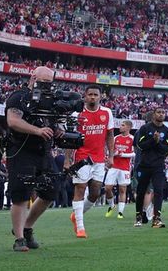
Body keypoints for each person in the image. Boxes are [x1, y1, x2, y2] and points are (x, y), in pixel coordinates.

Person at [6, 66, 61, 252]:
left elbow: (53, 124)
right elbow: (13, 121)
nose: (46, 86)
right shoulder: (19, 97)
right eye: (44, 82)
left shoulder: (51, 101)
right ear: (33, 77)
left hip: (42, 151)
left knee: (51, 191)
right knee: (21, 195)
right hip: (21, 150)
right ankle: (20, 238)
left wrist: (58, 130)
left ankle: (26, 227)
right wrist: (37, 130)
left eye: (49, 83)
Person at [69, 84, 115, 238]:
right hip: (81, 156)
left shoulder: (107, 113)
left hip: (99, 158)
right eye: (90, 94)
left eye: (96, 95)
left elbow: (109, 135)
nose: (93, 97)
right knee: (80, 188)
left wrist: (111, 155)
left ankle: (77, 214)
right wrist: (68, 160)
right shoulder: (77, 113)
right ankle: (81, 228)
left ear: (101, 96)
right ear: (85, 96)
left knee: (95, 193)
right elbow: (70, 137)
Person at [132, 108, 168, 228]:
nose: (161, 114)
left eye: (163, 112)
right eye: (159, 112)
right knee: (141, 192)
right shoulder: (145, 129)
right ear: (153, 115)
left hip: (158, 165)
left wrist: (158, 142)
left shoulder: (167, 131)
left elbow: (166, 149)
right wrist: (153, 141)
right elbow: (140, 145)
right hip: (144, 164)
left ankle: (156, 218)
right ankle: (139, 216)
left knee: (159, 191)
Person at [104, 120, 134, 220]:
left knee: (122, 189)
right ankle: (112, 205)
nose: (120, 127)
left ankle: (120, 212)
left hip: (125, 168)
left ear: (128, 127)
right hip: (114, 167)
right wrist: (112, 154)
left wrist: (123, 154)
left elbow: (134, 154)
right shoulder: (116, 138)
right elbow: (110, 151)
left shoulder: (132, 139)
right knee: (107, 188)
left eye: (122, 125)